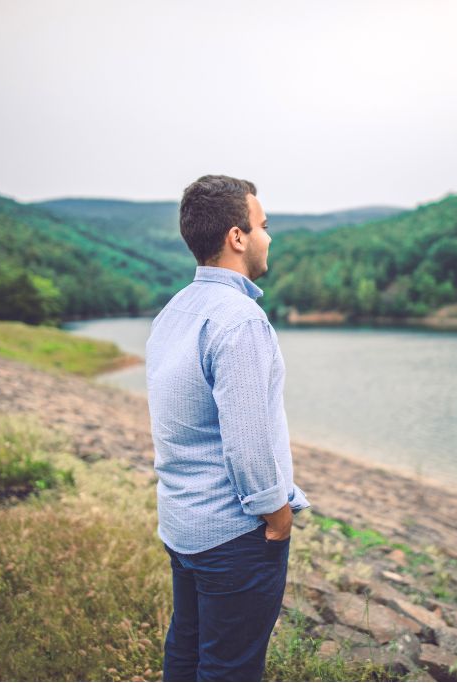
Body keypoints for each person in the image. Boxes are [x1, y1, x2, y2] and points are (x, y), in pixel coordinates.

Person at [145, 175, 310, 681]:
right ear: (236, 237)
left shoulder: (175, 311)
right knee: (230, 669)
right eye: (262, 225)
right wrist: (277, 515)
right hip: (234, 537)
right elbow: (247, 442)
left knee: (187, 650)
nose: (269, 236)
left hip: (183, 523)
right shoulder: (239, 321)